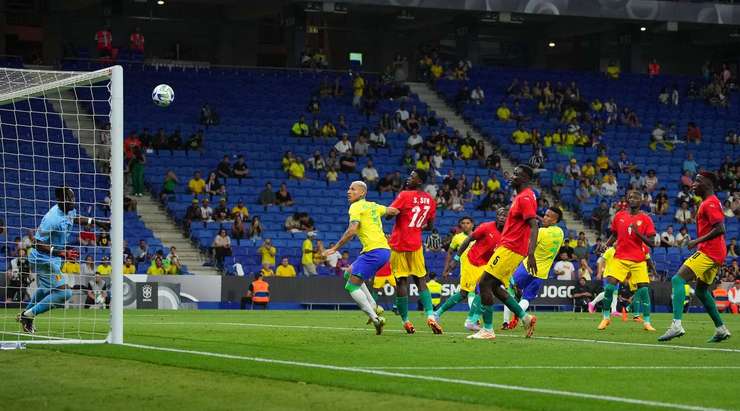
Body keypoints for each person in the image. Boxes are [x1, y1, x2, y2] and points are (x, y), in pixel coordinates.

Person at [18, 187, 110, 333]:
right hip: (42, 259)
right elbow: (36, 242)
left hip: (54, 258)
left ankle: (26, 316)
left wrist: (98, 222)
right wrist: (61, 253)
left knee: (46, 289)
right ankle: (27, 315)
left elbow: (76, 218)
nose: (72, 202)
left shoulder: (69, 209)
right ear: (60, 200)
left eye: (73, 198)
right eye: (69, 200)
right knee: (64, 293)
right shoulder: (51, 218)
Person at [468, 165, 539, 340]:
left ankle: (488, 330)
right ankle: (525, 318)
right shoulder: (522, 196)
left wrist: (531, 254)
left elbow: (534, 225)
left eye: (517, 174)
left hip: (511, 248)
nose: (513, 176)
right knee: (494, 286)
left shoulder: (525, 198)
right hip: (510, 247)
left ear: (526, 179)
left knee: (484, 283)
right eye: (513, 173)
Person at [659, 172, 731, 343]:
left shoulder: (710, 203)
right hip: (715, 252)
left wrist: (696, 241)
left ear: (708, 183)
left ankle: (676, 325)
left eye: (698, 181)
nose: (693, 184)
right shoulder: (709, 202)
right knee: (701, 291)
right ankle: (721, 329)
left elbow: (721, 228)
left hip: (710, 251)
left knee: (677, 279)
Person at [322, 181, 390, 334]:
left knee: (351, 286)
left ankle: (375, 317)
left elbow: (352, 230)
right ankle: (374, 307)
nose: (348, 191)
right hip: (382, 251)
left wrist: (334, 248)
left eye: (352, 189)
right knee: (348, 273)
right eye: (348, 188)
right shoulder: (373, 206)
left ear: (362, 193)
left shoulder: (356, 206)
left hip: (374, 251)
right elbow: (392, 211)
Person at [383, 170, 440, 334]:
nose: (409, 178)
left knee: (401, 282)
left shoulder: (404, 195)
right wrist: (416, 227)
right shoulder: (430, 200)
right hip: (416, 245)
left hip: (399, 244)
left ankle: (406, 321)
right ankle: (430, 316)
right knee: (421, 280)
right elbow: (429, 226)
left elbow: (388, 216)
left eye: (413, 176)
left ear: (420, 181)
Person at [434, 207, 507, 330]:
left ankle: (471, 319)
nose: (465, 225)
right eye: (463, 223)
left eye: (468, 223)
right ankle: (443, 314)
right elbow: (451, 252)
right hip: (469, 264)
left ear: (472, 224)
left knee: (481, 290)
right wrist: (453, 262)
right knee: (465, 293)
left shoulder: (483, 231)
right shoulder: (458, 237)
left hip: (484, 264)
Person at [597, 190, 657, 332]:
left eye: (636, 197)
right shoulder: (619, 216)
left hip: (638, 260)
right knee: (610, 288)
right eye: (630, 197)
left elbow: (653, 243)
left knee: (643, 291)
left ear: (641, 201)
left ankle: (647, 322)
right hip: (620, 258)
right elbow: (614, 234)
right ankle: (606, 317)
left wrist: (638, 233)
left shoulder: (646, 219)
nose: (632, 199)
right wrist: (606, 245)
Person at [503, 207, 565, 329]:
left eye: (548, 216)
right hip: (542, 272)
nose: (544, 218)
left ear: (555, 220)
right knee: (527, 297)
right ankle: (518, 316)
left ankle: (506, 321)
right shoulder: (561, 233)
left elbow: (528, 248)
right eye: (545, 215)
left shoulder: (541, 232)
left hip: (527, 267)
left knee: (509, 291)